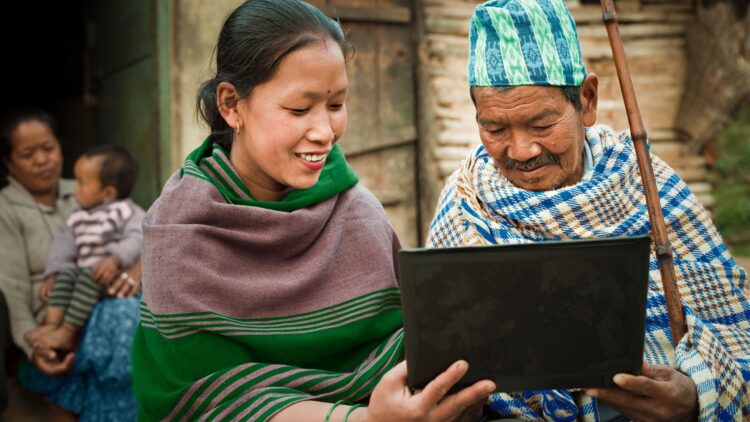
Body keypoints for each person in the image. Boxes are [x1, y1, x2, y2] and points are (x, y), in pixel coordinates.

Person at [131, 1, 496, 421]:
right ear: (231, 105)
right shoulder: (178, 232)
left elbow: (408, 346)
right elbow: (207, 397)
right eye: (299, 109)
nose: (325, 132)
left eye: (336, 105)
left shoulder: (357, 213)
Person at [427, 0, 750, 420]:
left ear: (588, 100)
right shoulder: (464, 204)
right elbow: (445, 366)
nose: (521, 150)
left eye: (542, 125)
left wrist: (696, 397)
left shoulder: (647, 185)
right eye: (495, 128)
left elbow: (738, 334)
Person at [0, 108, 142, 421]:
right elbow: (10, 291)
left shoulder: (90, 189)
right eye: (28, 154)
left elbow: (140, 227)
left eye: (48, 148)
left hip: (101, 296)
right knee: (123, 322)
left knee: (129, 316)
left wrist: (136, 267)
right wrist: (31, 344)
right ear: (9, 164)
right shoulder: (5, 210)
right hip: (53, 314)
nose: (42, 160)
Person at [25, 145, 144, 354]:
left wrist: (115, 259)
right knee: (65, 277)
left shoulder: (126, 211)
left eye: (81, 183)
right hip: (84, 277)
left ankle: (67, 332)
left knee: (89, 277)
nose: (75, 189)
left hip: (112, 277)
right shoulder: (76, 216)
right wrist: (54, 273)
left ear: (107, 193)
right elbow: (62, 247)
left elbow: (138, 237)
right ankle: (52, 325)